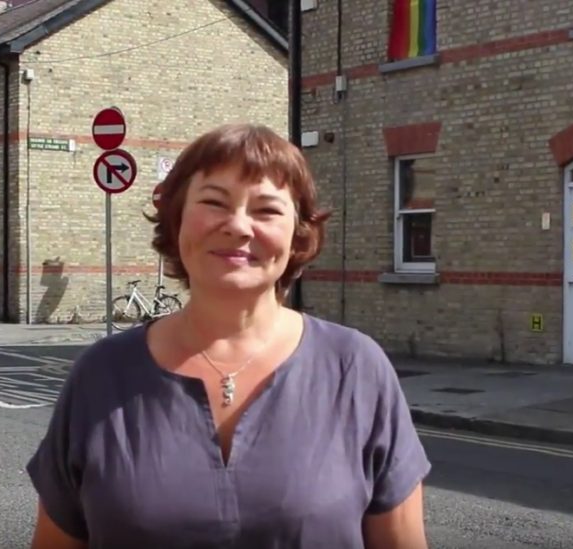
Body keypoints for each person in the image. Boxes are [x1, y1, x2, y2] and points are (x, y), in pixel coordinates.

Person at [26, 123, 431, 548]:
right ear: (177, 220)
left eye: (266, 210)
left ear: (298, 232)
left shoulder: (356, 368)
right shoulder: (102, 374)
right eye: (214, 202)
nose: (238, 226)